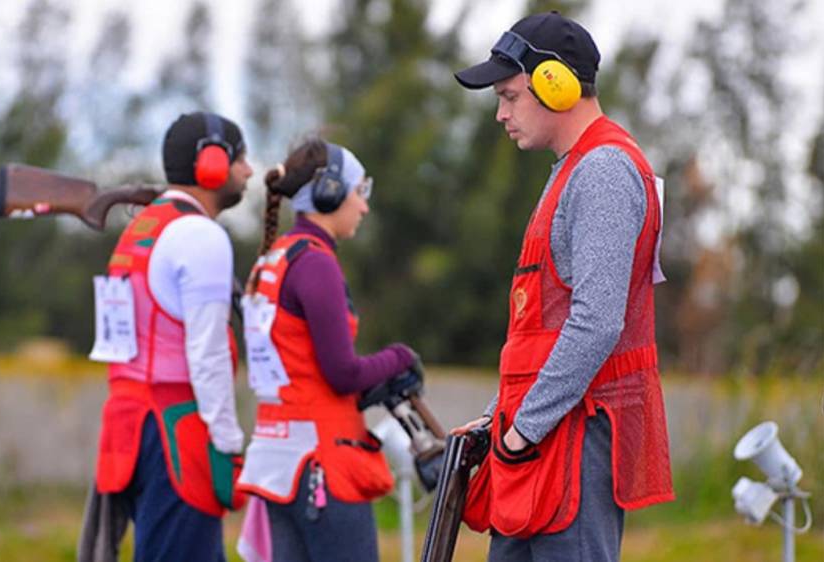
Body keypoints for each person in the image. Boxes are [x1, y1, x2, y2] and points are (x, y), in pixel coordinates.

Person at [450, 11, 675, 562]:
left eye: (509, 95)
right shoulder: (574, 168)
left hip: (571, 439)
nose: (501, 113)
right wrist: (495, 416)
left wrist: (519, 430)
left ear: (557, 84)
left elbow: (597, 320)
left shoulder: (601, 171)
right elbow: (542, 328)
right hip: (545, 434)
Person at [235, 139, 419, 562]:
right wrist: (400, 358)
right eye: (360, 191)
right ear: (330, 191)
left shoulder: (273, 258)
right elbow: (342, 373)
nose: (364, 206)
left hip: (277, 460)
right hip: (322, 459)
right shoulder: (315, 262)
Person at [88, 111, 251, 562]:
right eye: (241, 159)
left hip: (129, 425)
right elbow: (208, 352)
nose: (249, 171)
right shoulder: (200, 235)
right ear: (213, 162)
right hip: (176, 430)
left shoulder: (141, 228)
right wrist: (228, 441)